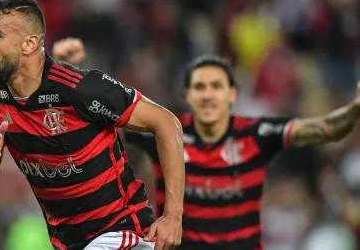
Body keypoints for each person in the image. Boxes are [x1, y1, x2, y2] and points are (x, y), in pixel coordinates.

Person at [53, 42, 360, 250]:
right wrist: (69, 74)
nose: (209, 95)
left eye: (217, 86)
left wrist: (354, 110)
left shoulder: (256, 134)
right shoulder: (165, 134)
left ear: (233, 94)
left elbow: (327, 130)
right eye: (200, 87)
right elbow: (96, 134)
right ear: (188, 95)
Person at [0, 0, 185, 250]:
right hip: (70, 243)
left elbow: (167, 123)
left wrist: (173, 216)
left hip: (122, 232)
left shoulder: (79, 88)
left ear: (29, 44)